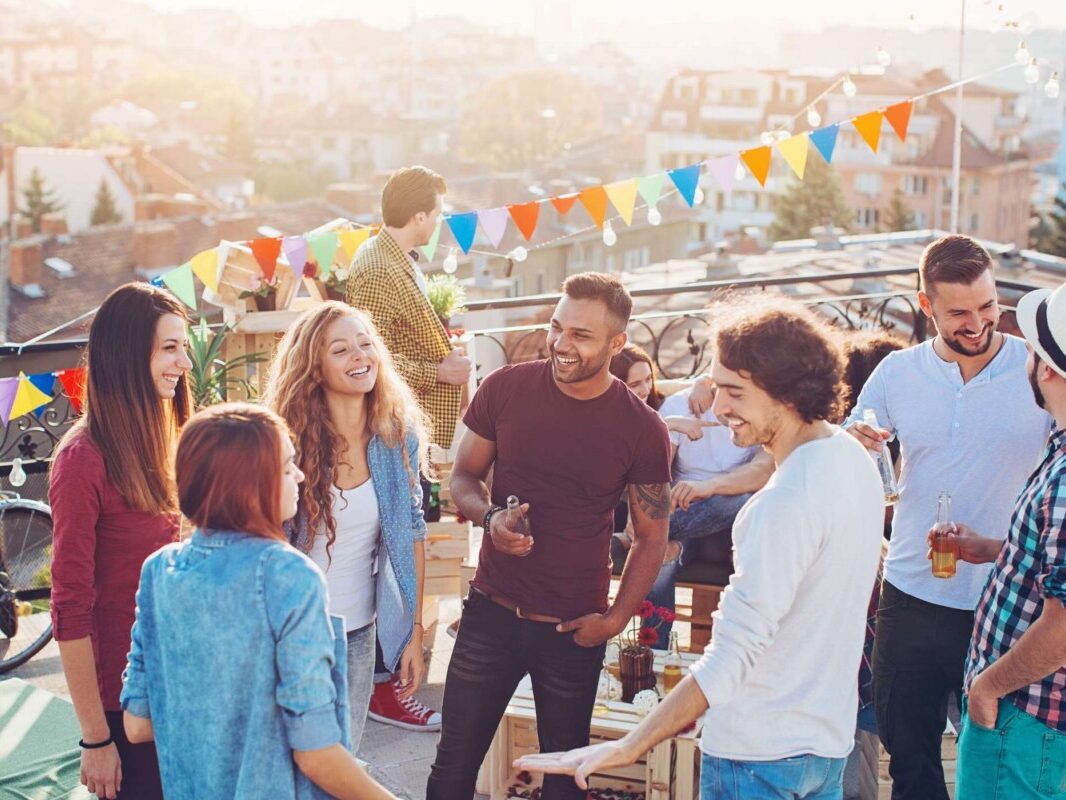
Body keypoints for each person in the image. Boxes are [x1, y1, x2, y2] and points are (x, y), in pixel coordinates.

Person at [516, 295, 885, 800]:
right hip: (826, 749)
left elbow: (728, 660)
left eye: (733, 392)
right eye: (715, 387)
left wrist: (625, 747)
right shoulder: (850, 457)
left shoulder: (783, 503)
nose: (718, 408)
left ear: (788, 394)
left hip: (757, 760)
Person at [427, 273, 673, 800]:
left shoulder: (643, 428)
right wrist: (491, 517)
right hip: (490, 613)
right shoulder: (504, 387)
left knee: (565, 782)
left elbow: (652, 538)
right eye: (557, 327)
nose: (561, 344)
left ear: (616, 344)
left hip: (572, 629)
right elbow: (462, 478)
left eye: (581, 335)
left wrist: (613, 619)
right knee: (452, 770)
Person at [845, 234, 1051, 800]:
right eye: (959, 312)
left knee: (997, 757)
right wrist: (853, 442)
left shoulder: (1034, 370)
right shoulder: (895, 373)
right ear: (925, 305)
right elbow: (854, 452)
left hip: (1007, 599)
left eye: (988, 306)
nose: (978, 322)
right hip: (911, 591)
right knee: (908, 757)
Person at [120, 403, 396, 799]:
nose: (300, 476)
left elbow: (137, 723)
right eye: (286, 467)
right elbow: (316, 754)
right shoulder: (288, 576)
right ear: (249, 484)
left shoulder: (158, 571)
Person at [264, 302, 437, 746]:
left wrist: (413, 634)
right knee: (296, 765)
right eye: (340, 350)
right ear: (314, 369)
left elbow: (412, 531)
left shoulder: (397, 436)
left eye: (365, 344)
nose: (360, 357)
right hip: (293, 634)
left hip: (360, 631)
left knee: (346, 754)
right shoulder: (283, 443)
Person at [49, 283, 193, 800]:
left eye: (185, 346)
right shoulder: (81, 458)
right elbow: (68, 606)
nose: (184, 362)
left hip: (175, 679)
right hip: (120, 700)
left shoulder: (166, 435)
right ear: (128, 355)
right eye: (169, 348)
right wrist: (95, 738)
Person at [346, 165, 466, 729]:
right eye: (437, 212)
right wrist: (440, 369)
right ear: (420, 214)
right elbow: (369, 360)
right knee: (393, 563)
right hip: (389, 433)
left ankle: (390, 678)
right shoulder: (373, 268)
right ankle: (384, 687)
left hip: (412, 433)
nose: (439, 222)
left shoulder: (397, 260)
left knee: (409, 555)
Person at [947, 283, 1066, 799]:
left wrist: (988, 687)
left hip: (1023, 719)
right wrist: (998, 548)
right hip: (1029, 720)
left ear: (1048, 370)